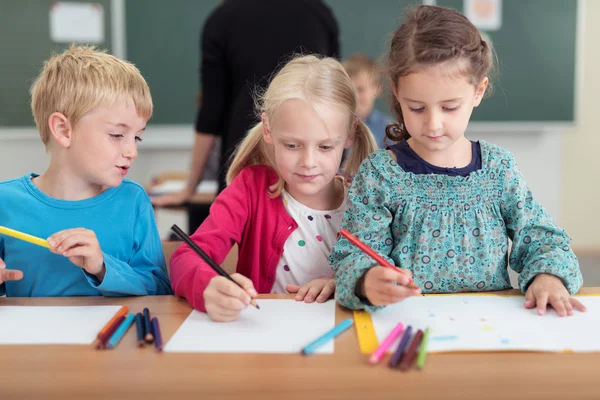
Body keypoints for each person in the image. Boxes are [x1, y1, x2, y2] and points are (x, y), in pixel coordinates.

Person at [329, 5, 584, 317]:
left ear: (478, 91)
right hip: (404, 325)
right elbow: (352, 255)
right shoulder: (380, 175)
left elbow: (544, 242)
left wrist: (548, 276)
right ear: (396, 91)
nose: (433, 124)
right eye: (417, 108)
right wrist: (366, 280)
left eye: (449, 107)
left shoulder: (497, 169)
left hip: (486, 330)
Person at [170, 55, 377, 322]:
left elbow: (387, 268)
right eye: (292, 145)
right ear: (268, 129)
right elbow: (185, 258)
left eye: (325, 147)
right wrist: (208, 286)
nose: (308, 163)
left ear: (350, 133)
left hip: (342, 343)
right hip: (267, 346)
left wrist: (349, 281)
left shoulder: (366, 200)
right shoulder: (250, 190)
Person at [0, 45, 172, 297]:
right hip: (31, 337)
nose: (132, 151)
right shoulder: (6, 202)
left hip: (111, 336)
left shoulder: (133, 201)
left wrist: (102, 267)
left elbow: (160, 291)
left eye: (137, 137)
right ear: (63, 130)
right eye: (117, 135)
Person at [150, 0, 340, 222]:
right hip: (311, 169)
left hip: (242, 159)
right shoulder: (319, 12)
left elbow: (211, 114)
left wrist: (191, 187)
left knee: (241, 248)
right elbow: (334, 91)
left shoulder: (222, 18)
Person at [342, 54, 393, 149]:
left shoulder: (388, 130)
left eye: (360, 89)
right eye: (349, 90)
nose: (355, 96)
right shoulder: (336, 124)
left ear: (377, 89)